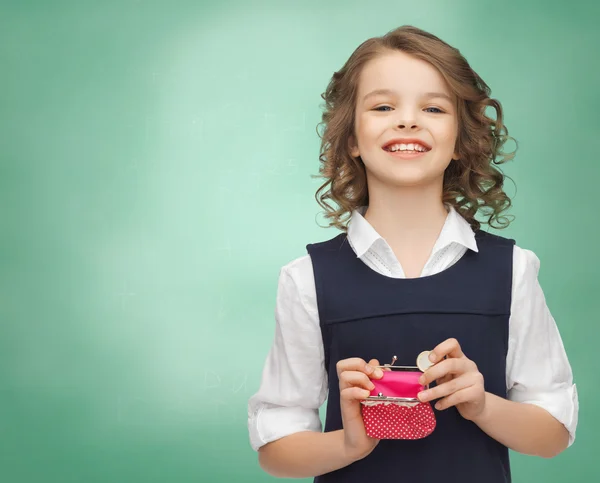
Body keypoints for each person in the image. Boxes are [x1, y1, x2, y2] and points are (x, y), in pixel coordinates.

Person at [247, 25, 578, 482]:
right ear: (350, 139)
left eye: (433, 108)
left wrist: (481, 404)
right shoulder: (307, 279)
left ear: (462, 139)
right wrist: (347, 443)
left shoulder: (513, 270)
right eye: (383, 106)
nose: (407, 121)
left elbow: (553, 434)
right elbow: (275, 450)